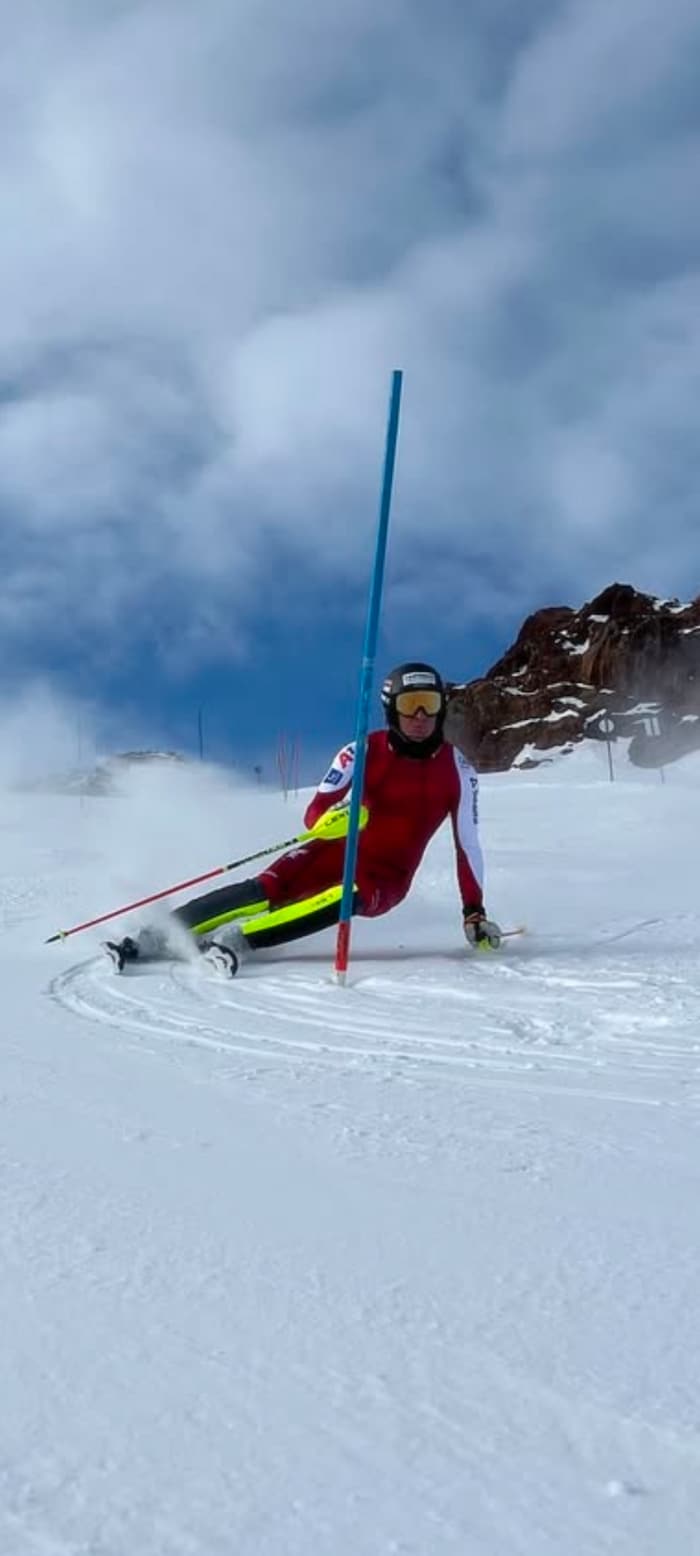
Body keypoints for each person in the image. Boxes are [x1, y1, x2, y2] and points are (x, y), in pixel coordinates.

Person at [107, 662, 501, 970]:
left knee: (345, 895)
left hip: (384, 879)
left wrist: (474, 912)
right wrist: (339, 815)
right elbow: (315, 814)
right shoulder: (360, 751)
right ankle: (152, 938)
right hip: (330, 851)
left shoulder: (459, 770)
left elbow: (467, 846)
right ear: (391, 710)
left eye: (430, 705)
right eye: (408, 705)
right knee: (264, 889)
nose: (419, 716)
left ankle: (236, 941)